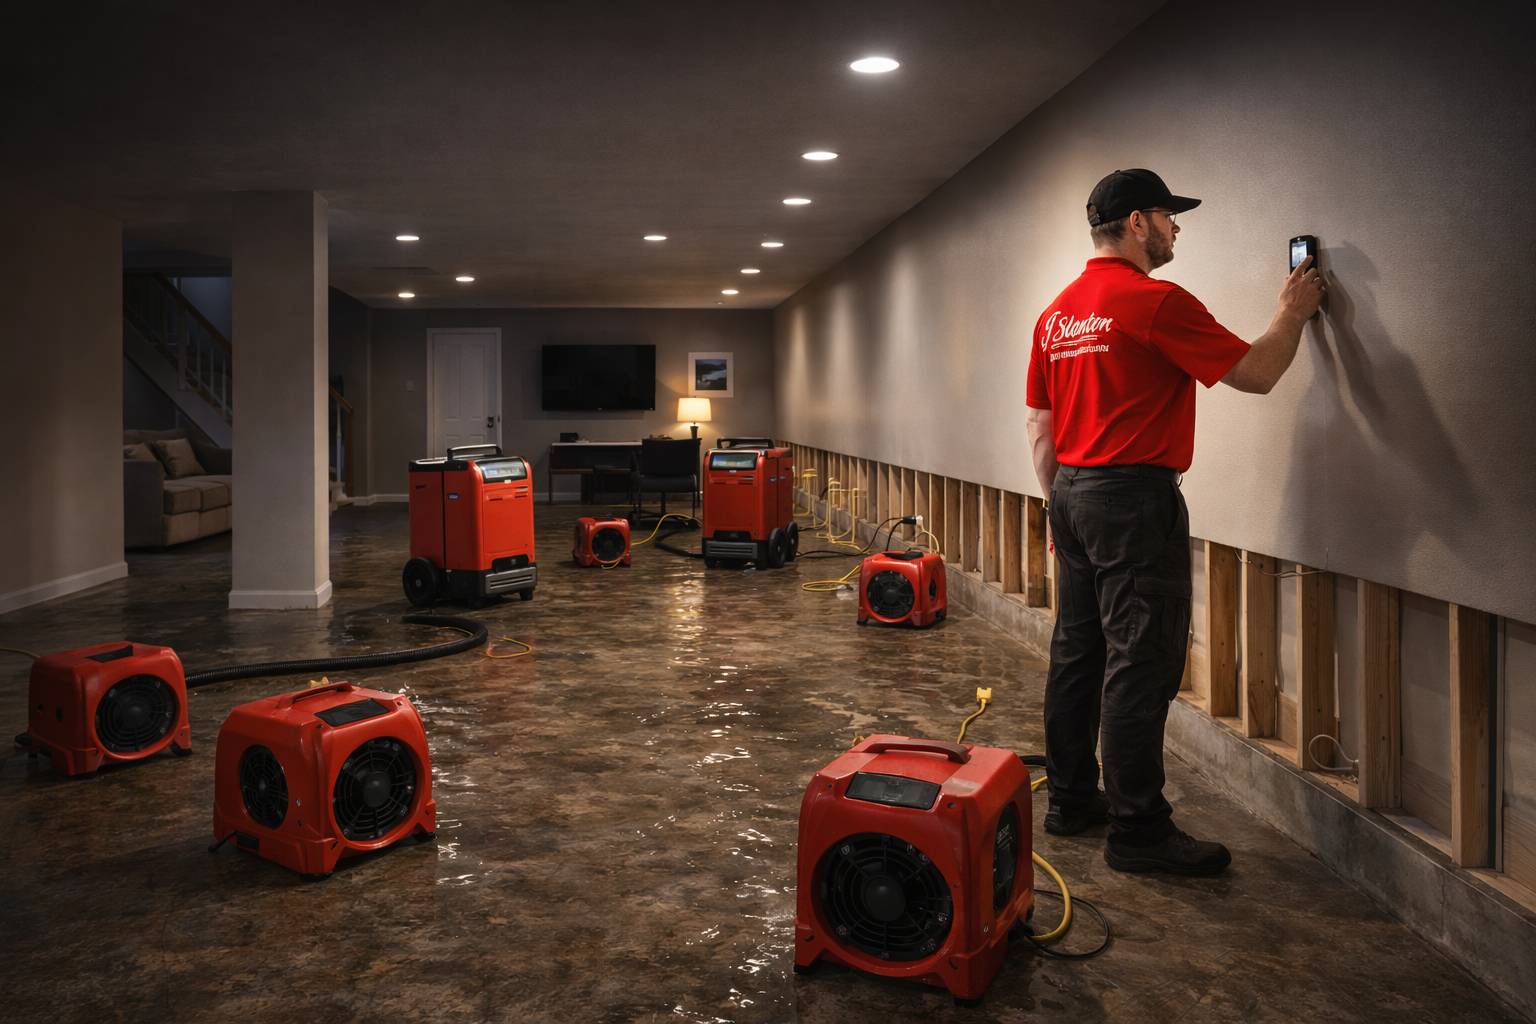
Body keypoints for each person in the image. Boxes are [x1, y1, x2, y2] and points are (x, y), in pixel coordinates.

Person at [1024, 168, 1325, 875]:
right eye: (1168, 215)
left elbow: (1039, 425)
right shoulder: (1152, 301)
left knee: (1078, 651)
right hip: (1131, 497)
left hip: (1070, 489)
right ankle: (1139, 832)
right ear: (1136, 223)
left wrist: (1063, 508)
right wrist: (1293, 313)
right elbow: (1255, 373)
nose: (1176, 228)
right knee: (1142, 661)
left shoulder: (1057, 313)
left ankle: (1071, 800)